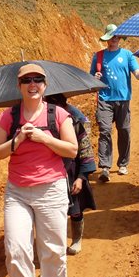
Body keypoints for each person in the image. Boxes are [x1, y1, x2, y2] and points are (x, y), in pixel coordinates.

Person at [0, 63, 78, 277]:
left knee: (52, 248)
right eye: (27, 80)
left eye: (38, 80)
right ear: (19, 86)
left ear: (45, 85)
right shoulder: (8, 117)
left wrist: (43, 138)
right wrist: (16, 141)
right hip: (17, 191)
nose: (32, 84)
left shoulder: (58, 115)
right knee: (16, 247)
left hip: (51, 189)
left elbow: (72, 150)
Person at [90, 23, 139, 182]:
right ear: (107, 39)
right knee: (105, 131)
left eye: (116, 37)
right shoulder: (99, 56)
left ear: (120, 38)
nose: (113, 40)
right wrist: (95, 77)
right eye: (111, 37)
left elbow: (136, 70)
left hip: (123, 100)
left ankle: (123, 163)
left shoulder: (127, 55)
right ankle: (105, 167)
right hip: (104, 99)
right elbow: (91, 76)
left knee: (123, 131)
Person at [44, 93, 96, 255]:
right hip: (50, 173)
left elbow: (86, 151)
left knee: (75, 208)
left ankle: (76, 239)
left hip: (72, 172)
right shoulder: (41, 126)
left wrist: (81, 178)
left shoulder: (75, 123)